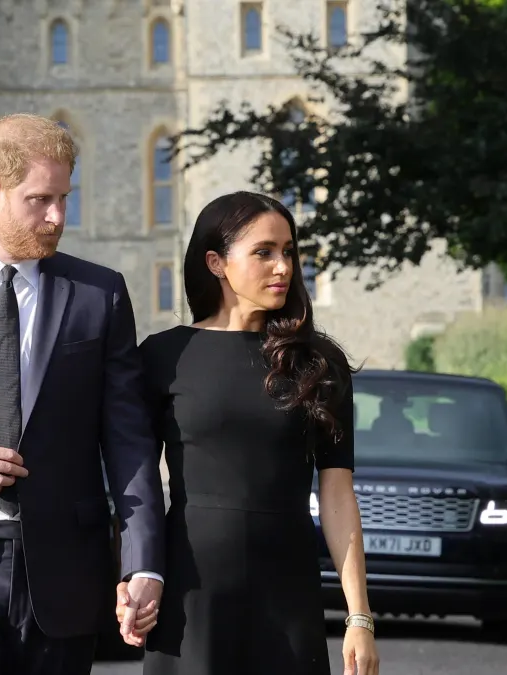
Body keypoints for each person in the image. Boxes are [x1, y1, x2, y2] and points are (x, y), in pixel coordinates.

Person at [0, 113, 167, 675]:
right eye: (41, 199)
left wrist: (142, 563)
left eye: (64, 198)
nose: (58, 216)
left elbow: (128, 438)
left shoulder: (100, 295)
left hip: (64, 571)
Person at [133, 191, 380, 675]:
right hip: (191, 590)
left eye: (288, 251)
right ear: (216, 262)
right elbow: (135, 480)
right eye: (263, 252)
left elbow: (336, 493)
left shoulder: (318, 363)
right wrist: (134, 574)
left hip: (287, 590)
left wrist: (359, 616)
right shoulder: (162, 356)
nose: (282, 266)